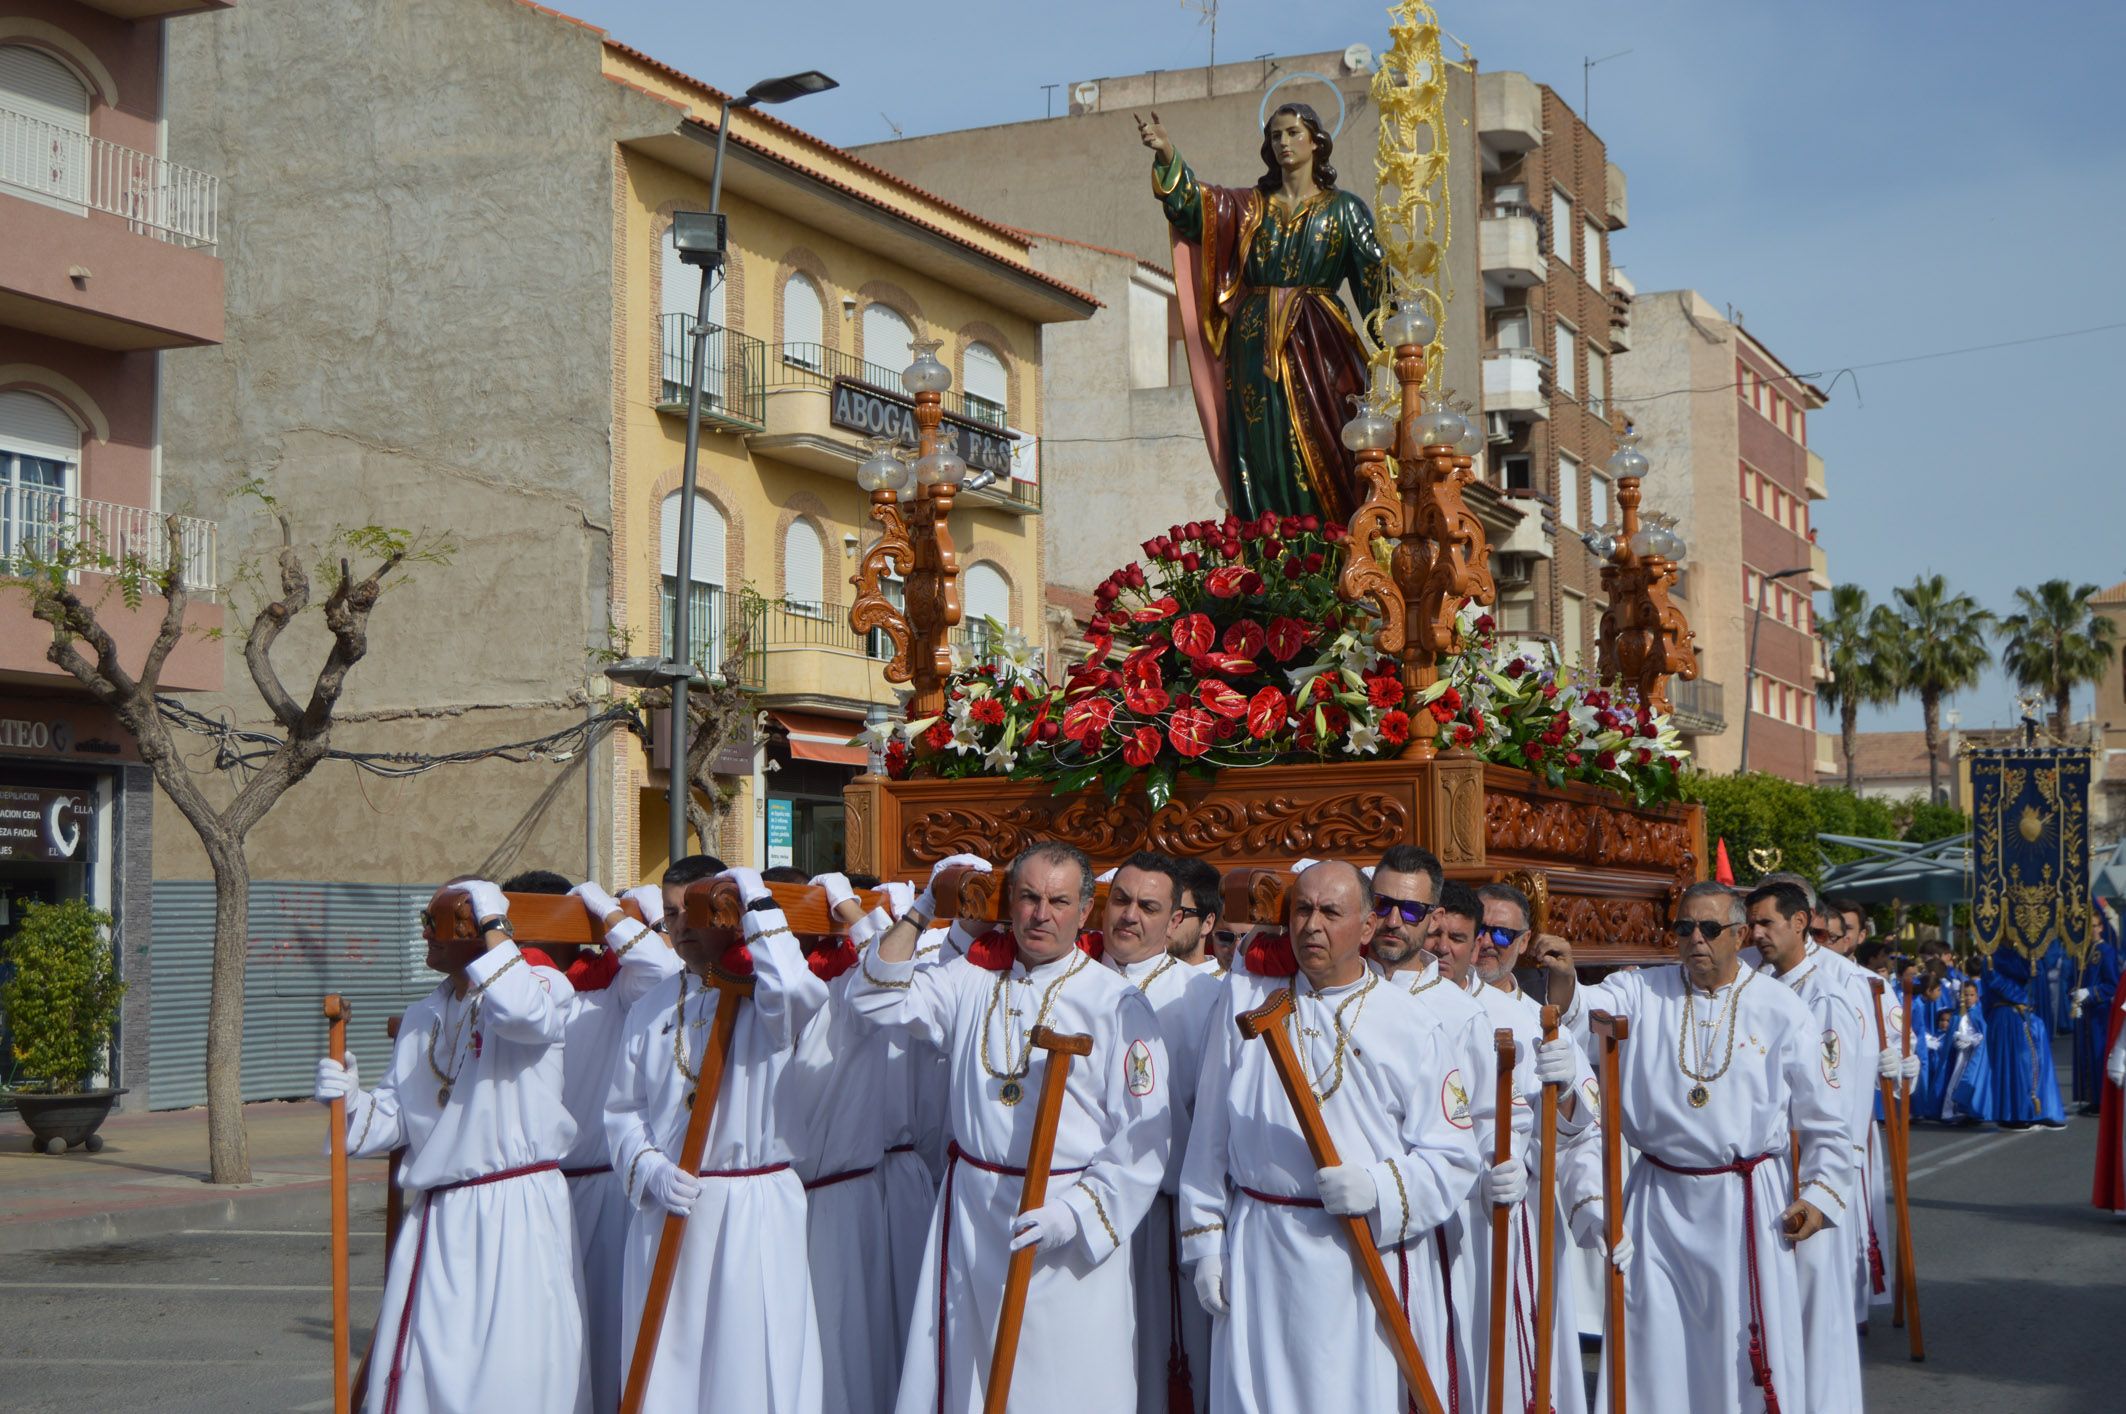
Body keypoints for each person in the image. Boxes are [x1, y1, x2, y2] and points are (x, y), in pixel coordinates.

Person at [849, 843, 1171, 1413]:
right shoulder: (969, 982)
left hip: (1065, 1222)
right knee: (970, 1375)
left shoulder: (1116, 1003)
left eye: (1058, 900)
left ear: (1085, 909)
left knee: (1062, 1381)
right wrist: (927, 904)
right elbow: (873, 995)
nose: (1040, 914)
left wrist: (1073, 1214)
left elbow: (1144, 1140)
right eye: (1027, 897)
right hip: (974, 1215)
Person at [1533, 881, 1853, 1414]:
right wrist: (1565, 979)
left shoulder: (1782, 1009)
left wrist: (1818, 1197)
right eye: (1684, 928)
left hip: (1746, 1203)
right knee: (1653, 1339)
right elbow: (1582, 1011)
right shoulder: (1641, 989)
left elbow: (1826, 1120)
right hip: (1657, 1202)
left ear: (1740, 934)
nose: (1695, 940)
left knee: (1738, 1350)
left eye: (1709, 929)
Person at [1182, 859, 1483, 1411]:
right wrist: (1205, 1242)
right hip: (1259, 1252)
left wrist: (1379, 1187)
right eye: (1302, 909)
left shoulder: (1412, 1026)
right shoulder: (1248, 1004)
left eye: (1330, 912)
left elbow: (1455, 1157)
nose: (1311, 925)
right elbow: (1209, 1134)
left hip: (1357, 1255)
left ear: (1367, 928)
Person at [313, 879, 588, 1413]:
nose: (425, 933)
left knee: (516, 1365)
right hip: (442, 1218)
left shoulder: (541, 987)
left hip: (518, 1212)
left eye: (439, 920)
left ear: (477, 927)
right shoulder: (422, 1016)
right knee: (431, 1365)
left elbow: (523, 1017)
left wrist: (492, 922)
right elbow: (396, 1119)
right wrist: (349, 1099)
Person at [604, 866, 829, 1413]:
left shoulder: (767, 997)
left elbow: (799, 988)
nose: (682, 925)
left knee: (748, 1365)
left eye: (698, 911)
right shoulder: (649, 1007)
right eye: (672, 913)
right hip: (669, 1208)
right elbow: (622, 1112)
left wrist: (755, 899)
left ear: (728, 917)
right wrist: (651, 1169)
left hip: (751, 1210)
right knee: (667, 1368)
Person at [1135, 105, 1388, 524]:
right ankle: (1270, 550)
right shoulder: (1249, 207)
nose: (1284, 143)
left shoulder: (1345, 209)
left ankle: (1332, 547)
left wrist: (1403, 350)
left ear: (1316, 142)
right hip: (1254, 348)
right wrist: (1166, 153)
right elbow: (1195, 208)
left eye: (1293, 133)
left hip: (1321, 341)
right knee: (1262, 447)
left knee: (1331, 447)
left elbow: (1375, 287)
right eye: (1276, 136)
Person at [498, 870, 680, 1414]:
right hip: (532, 1190)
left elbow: (664, 966)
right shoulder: (508, 994)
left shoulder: (610, 984)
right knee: (541, 1331)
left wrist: (607, 911)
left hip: (602, 1187)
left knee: (605, 1326)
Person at [780, 868, 918, 1414]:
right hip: (775, 1201)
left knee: (841, 1344)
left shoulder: (854, 992)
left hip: (840, 1199)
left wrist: (854, 913)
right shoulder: (752, 994)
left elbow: (890, 967)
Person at [1097, 851, 1225, 1413]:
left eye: (1148, 907)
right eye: (1120, 901)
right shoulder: (1071, 983)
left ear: (1176, 921)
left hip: (1163, 1222)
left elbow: (1214, 1123)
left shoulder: (1202, 998)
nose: (1129, 916)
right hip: (1079, 1217)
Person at [1744, 880, 1873, 1413]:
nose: (1755, 935)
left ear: (1800, 923)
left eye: (1766, 924)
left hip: (1811, 1172)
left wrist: (1819, 1186)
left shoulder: (1827, 993)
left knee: (1816, 1307)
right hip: (1777, 1168)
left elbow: (1835, 1103)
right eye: (1751, 924)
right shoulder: (1766, 982)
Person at [1970, 947, 2068, 1128]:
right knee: (2019, 1065)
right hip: (2008, 1014)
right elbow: (1996, 982)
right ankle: (2015, 1113)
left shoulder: (2028, 953)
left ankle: (2041, 1111)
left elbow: (2036, 977)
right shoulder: (1993, 957)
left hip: (2028, 1015)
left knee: (2039, 1062)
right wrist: (2022, 998)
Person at [2072, 925, 2121, 1112]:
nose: (2090, 929)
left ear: (2101, 927)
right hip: (2086, 1012)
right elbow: (2076, 981)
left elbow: (2112, 984)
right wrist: (2075, 998)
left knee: (2098, 1054)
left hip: (2100, 1013)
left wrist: (2090, 993)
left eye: (2093, 926)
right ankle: (2092, 1099)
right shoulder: (2082, 951)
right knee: (2087, 1054)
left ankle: (2102, 1101)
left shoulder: (2106, 951)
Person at [1941, 980, 1990, 1124]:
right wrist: (1957, 1038)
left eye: (1971, 995)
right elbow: (1953, 1033)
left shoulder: (1979, 1013)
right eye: (1965, 995)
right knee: (1955, 1080)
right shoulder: (1957, 1014)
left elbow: (1983, 1034)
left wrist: (1972, 1040)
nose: (1968, 998)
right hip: (1960, 1055)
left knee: (1970, 1080)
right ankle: (1949, 1112)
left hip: (1975, 1055)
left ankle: (1969, 1110)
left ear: (1977, 996)